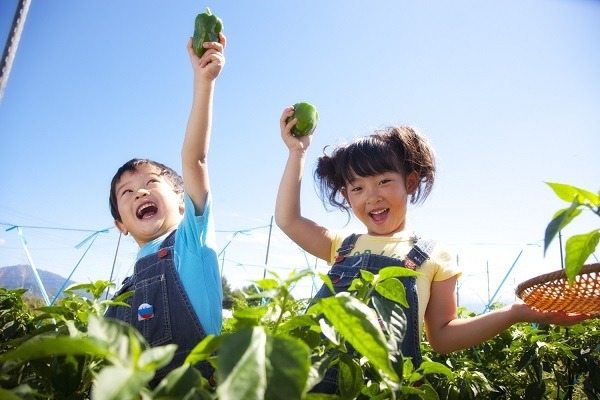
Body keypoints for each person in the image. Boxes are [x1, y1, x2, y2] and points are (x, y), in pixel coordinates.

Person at [275, 106, 591, 393]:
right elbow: (288, 220)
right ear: (346, 195)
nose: (371, 196)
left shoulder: (433, 254)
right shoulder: (341, 245)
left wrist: (514, 313)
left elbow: (442, 335)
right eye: (357, 187)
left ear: (410, 182)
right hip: (311, 384)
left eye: (384, 181)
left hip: (386, 388)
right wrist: (297, 153)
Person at [104, 34, 226, 386]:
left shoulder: (191, 241)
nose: (140, 190)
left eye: (151, 182)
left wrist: (204, 82)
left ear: (182, 200)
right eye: (126, 192)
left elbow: (196, 159)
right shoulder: (125, 289)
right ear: (120, 224)